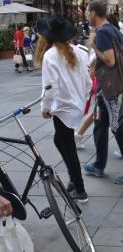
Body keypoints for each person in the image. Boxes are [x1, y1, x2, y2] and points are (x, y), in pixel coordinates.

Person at [83, 0, 123, 184]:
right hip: (109, 87)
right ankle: (99, 165)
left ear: (93, 14)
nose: (86, 16)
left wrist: (95, 47)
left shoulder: (101, 33)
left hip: (111, 87)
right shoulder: (113, 29)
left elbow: (109, 61)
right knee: (100, 124)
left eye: (87, 12)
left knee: (119, 127)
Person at [35, 14, 92, 202]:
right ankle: (74, 182)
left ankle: (79, 189)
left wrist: (46, 107)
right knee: (60, 142)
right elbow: (88, 83)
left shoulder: (50, 56)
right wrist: (81, 99)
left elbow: (49, 87)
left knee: (68, 147)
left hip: (62, 108)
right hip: (75, 105)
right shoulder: (81, 52)